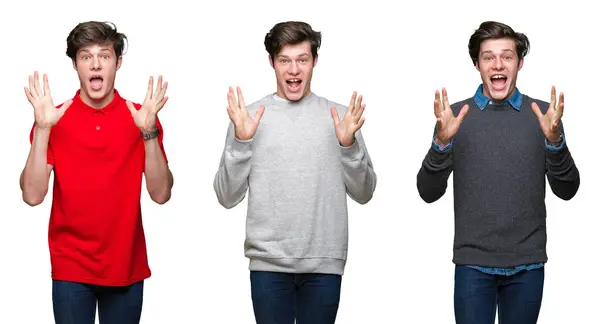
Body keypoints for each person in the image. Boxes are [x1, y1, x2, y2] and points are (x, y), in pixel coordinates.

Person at [416, 21, 580, 324]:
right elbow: (428, 192)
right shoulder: (454, 117)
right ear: (477, 64)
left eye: (507, 56)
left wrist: (555, 142)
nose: (498, 64)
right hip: (473, 265)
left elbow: (567, 189)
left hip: (527, 265)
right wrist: (441, 142)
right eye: (488, 57)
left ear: (519, 63)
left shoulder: (544, 117)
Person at [213, 21, 377, 324]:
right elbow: (226, 195)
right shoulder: (247, 117)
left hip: (324, 264)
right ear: (271, 63)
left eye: (302, 60)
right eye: (284, 60)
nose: (293, 70)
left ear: (315, 61)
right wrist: (241, 141)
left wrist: (348, 144)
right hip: (268, 264)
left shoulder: (341, 117)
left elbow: (365, 192)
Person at [20, 21, 173, 324]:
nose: (95, 64)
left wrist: (149, 132)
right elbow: (32, 195)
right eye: (85, 56)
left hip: (125, 264)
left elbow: (161, 194)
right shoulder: (54, 118)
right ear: (75, 65)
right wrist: (43, 129)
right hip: (71, 266)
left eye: (104, 55)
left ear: (118, 63)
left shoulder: (141, 117)